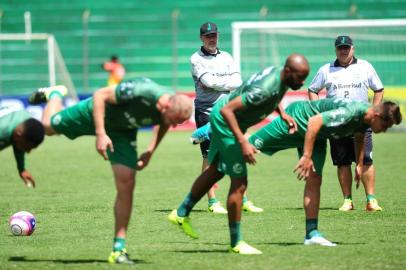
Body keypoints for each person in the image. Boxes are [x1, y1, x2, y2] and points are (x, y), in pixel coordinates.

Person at [192, 98, 402, 247]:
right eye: (386, 125)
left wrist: (359, 162)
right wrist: (306, 156)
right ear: (376, 115)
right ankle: (213, 128)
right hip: (297, 119)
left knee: (315, 178)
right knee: (249, 147)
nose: (385, 130)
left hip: (316, 136)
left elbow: (358, 135)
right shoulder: (352, 111)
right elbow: (315, 121)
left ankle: (311, 234)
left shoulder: (365, 119)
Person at [28, 79, 193, 264]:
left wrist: (150, 151)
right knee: (47, 128)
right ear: (165, 105)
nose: (173, 126)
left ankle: (118, 249)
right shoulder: (140, 91)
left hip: (123, 133)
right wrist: (100, 133)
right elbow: (100, 95)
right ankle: (55, 94)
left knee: (127, 184)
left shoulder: (167, 110)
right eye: (173, 120)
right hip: (93, 114)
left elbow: (163, 124)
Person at [168, 53, 309, 254]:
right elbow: (228, 111)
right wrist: (243, 141)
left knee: (216, 170)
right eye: (300, 77)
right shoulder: (265, 88)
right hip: (226, 121)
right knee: (240, 182)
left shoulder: (281, 76)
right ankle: (236, 243)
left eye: (305, 77)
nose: (302, 82)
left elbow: (274, 94)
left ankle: (180, 213)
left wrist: (283, 114)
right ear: (288, 71)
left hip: (227, 119)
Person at [191, 21, 262, 214]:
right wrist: (226, 83)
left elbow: (237, 82)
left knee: (235, 152)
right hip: (206, 111)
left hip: (227, 111)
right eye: (207, 36)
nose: (211, 39)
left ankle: (243, 198)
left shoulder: (227, 56)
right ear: (201, 38)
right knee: (210, 156)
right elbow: (208, 82)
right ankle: (213, 202)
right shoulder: (196, 58)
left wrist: (219, 84)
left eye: (214, 35)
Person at [308, 35, 385, 211]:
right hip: (337, 124)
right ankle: (347, 200)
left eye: (346, 47)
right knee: (342, 162)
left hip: (360, 123)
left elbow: (379, 89)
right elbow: (312, 90)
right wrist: (319, 111)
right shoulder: (326, 70)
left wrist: (373, 113)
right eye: (340, 48)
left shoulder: (365, 67)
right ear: (335, 50)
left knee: (366, 160)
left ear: (353, 49)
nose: (343, 50)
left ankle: (371, 200)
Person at [0, 106, 45, 188]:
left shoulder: (25, 124)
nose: (28, 152)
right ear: (18, 135)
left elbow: (18, 144)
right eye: (27, 147)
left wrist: (22, 169)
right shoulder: (3, 130)